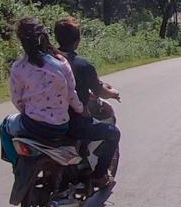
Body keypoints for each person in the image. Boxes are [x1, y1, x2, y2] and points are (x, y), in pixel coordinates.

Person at [55, 17, 121, 188]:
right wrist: (113, 93)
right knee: (113, 133)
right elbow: (99, 90)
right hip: (73, 122)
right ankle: (99, 175)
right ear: (77, 41)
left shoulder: (47, 62)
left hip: (47, 120)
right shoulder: (83, 65)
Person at [9, 17, 84, 145]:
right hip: (60, 126)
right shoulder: (61, 62)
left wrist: (28, 112)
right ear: (45, 36)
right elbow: (71, 94)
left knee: (5, 125)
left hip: (32, 125)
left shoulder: (18, 67)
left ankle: (16, 163)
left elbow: (17, 100)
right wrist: (81, 110)